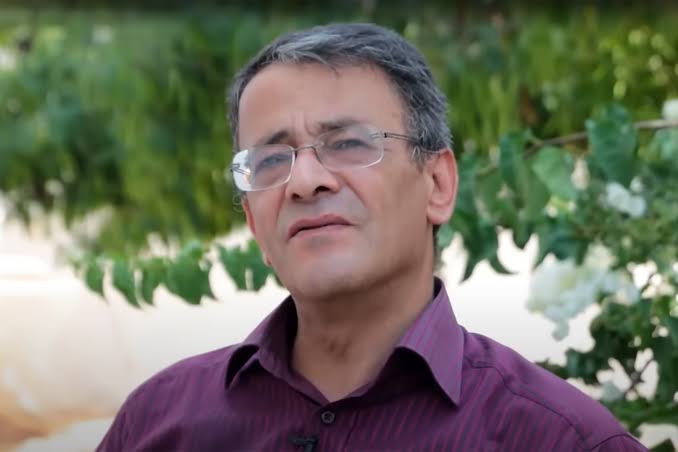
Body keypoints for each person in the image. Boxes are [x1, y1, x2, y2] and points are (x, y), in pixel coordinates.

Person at [97, 23, 648, 451]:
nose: (305, 182)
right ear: (254, 224)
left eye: (348, 144)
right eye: (270, 160)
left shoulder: (561, 440)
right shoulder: (157, 424)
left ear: (438, 184)